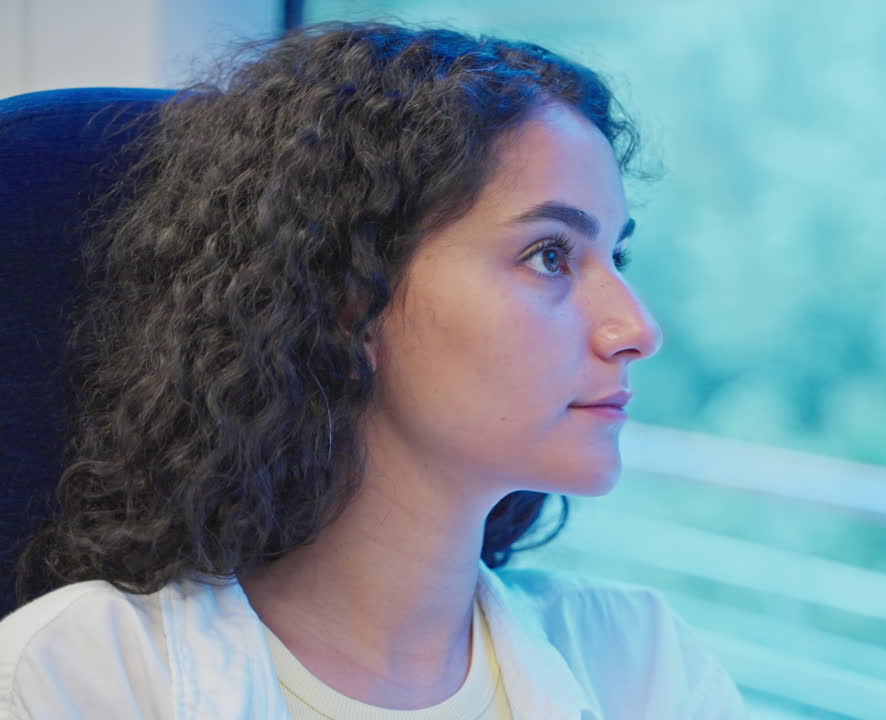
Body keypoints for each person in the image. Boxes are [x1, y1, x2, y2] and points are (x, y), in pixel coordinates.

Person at [0, 21, 746, 719]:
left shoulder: (642, 665)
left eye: (614, 256)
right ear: (347, 301)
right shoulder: (78, 674)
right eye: (550, 255)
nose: (638, 330)